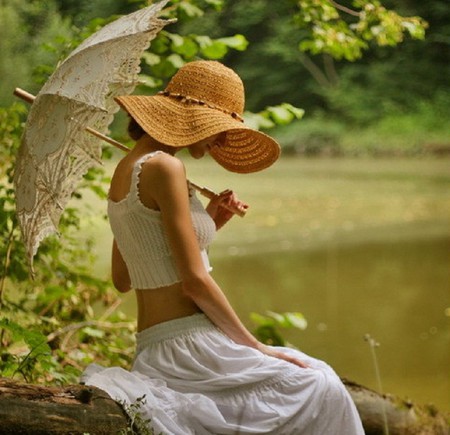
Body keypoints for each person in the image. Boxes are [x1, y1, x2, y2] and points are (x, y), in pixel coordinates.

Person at [81, 60, 364, 434]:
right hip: (191, 349)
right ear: (194, 120)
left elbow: (126, 276)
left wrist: (210, 222)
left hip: (153, 349)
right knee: (320, 384)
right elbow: (193, 282)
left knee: (314, 377)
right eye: (218, 129)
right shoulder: (166, 168)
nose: (218, 140)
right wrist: (256, 346)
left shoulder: (125, 170)